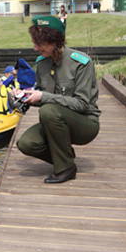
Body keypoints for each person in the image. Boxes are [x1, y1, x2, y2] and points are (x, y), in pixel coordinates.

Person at [16, 15, 100, 184]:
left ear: (55, 41)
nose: (35, 48)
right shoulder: (42, 63)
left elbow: (82, 104)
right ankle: (66, 156)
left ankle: (65, 168)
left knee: (48, 110)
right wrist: (25, 97)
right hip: (56, 120)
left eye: (39, 44)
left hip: (85, 123)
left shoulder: (81, 63)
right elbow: (43, 95)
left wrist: (44, 97)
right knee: (26, 143)